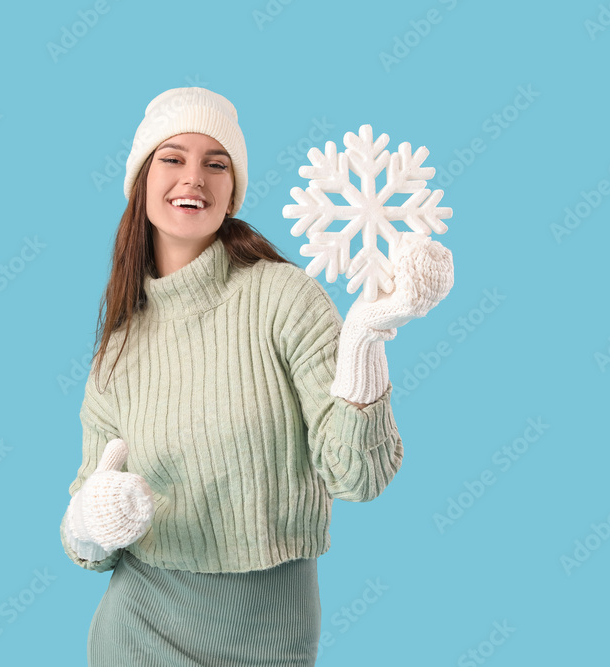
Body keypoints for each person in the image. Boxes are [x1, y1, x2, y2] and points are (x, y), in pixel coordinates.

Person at [59, 86, 454, 666]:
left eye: (214, 164)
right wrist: (91, 520)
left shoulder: (284, 298)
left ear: (232, 191)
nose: (193, 177)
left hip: (270, 635)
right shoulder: (117, 351)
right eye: (172, 158)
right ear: (142, 180)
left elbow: (359, 476)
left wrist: (366, 335)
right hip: (138, 633)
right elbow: (86, 550)